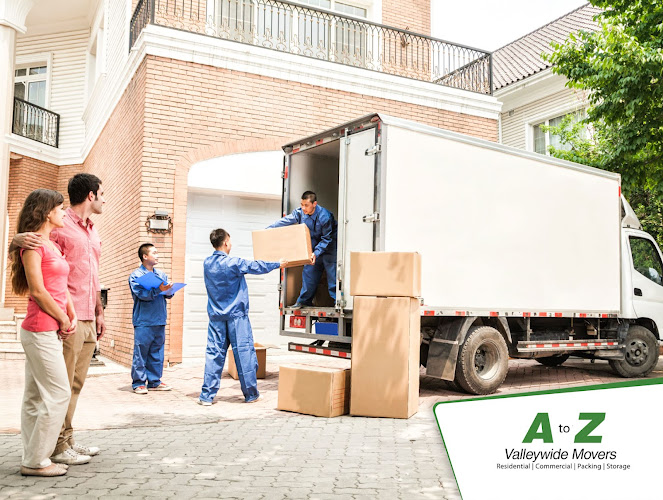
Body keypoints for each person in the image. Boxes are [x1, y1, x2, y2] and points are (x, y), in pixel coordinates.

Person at [11, 173, 105, 465]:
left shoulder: (93, 232)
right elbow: (35, 252)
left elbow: (93, 274)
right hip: (59, 318)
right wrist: (15, 240)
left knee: (74, 386)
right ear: (91, 195)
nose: (104, 200)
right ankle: (56, 447)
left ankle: (67, 440)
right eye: (102, 194)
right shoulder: (60, 228)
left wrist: (99, 311)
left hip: (85, 315)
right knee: (57, 389)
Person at [10, 189, 76, 477]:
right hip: (40, 329)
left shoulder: (52, 244)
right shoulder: (33, 245)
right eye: (60, 209)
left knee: (35, 396)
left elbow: (60, 285)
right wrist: (62, 318)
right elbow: (38, 291)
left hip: (50, 328)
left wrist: (70, 312)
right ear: (48, 212)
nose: (64, 213)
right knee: (59, 393)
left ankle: (32, 456)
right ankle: (37, 461)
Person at [198, 229, 286, 406]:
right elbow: (256, 266)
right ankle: (251, 394)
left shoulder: (207, 263)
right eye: (230, 241)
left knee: (214, 355)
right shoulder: (233, 263)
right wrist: (278, 264)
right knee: (244, 354)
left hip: (216, 317)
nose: (231, 244)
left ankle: (206, 396)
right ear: (225, 242)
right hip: (236, 317)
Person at [267, 190, 337, 307]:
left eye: (306, 205)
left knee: (332, 273)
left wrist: (316, 253)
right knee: (309, 272)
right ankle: (304, 301)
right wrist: (269, 229)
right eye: (302, 204)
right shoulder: (300, 213)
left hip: (329, 246)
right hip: (313, 245)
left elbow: (327, 238)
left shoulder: (325, 216)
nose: (303, 208)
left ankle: (336, 301)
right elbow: (285, 221)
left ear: (314, 204)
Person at [128, 243, 173, 394]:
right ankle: (139, 383)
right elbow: (142, 295)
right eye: (154, 253)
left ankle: (154, 381)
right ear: (145, 256)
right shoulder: (136, 276)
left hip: (159, 319)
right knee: (141, 353)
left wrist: (169, 290)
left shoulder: (161, 275)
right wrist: (158, 289)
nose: (157, 255)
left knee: (157, 353)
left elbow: (168, 294)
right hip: (144, 321)